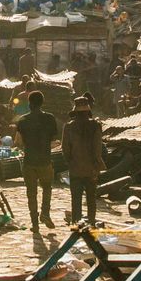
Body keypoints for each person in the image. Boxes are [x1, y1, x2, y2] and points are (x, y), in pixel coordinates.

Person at [14, 90, 60, 229]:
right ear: (42, 103)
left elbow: (19, 143)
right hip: (45, 160)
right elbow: (53, 139)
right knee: (47, 188)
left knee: (31, 193)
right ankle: (45, 214)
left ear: (29, 103)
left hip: (29, 161)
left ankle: (34, 223)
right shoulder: (50, 118)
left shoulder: (22, 120)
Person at [60, 95, 106, 225]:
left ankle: (76, 225)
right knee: (91, 200)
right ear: (88, 111)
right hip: (91, 169)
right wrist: (96, 166)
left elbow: (65, 149)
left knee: (76, 201)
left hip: (75, 169)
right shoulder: (96, 126)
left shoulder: (68, 127)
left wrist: (70, 162)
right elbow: (98, 149)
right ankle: (91, 223)